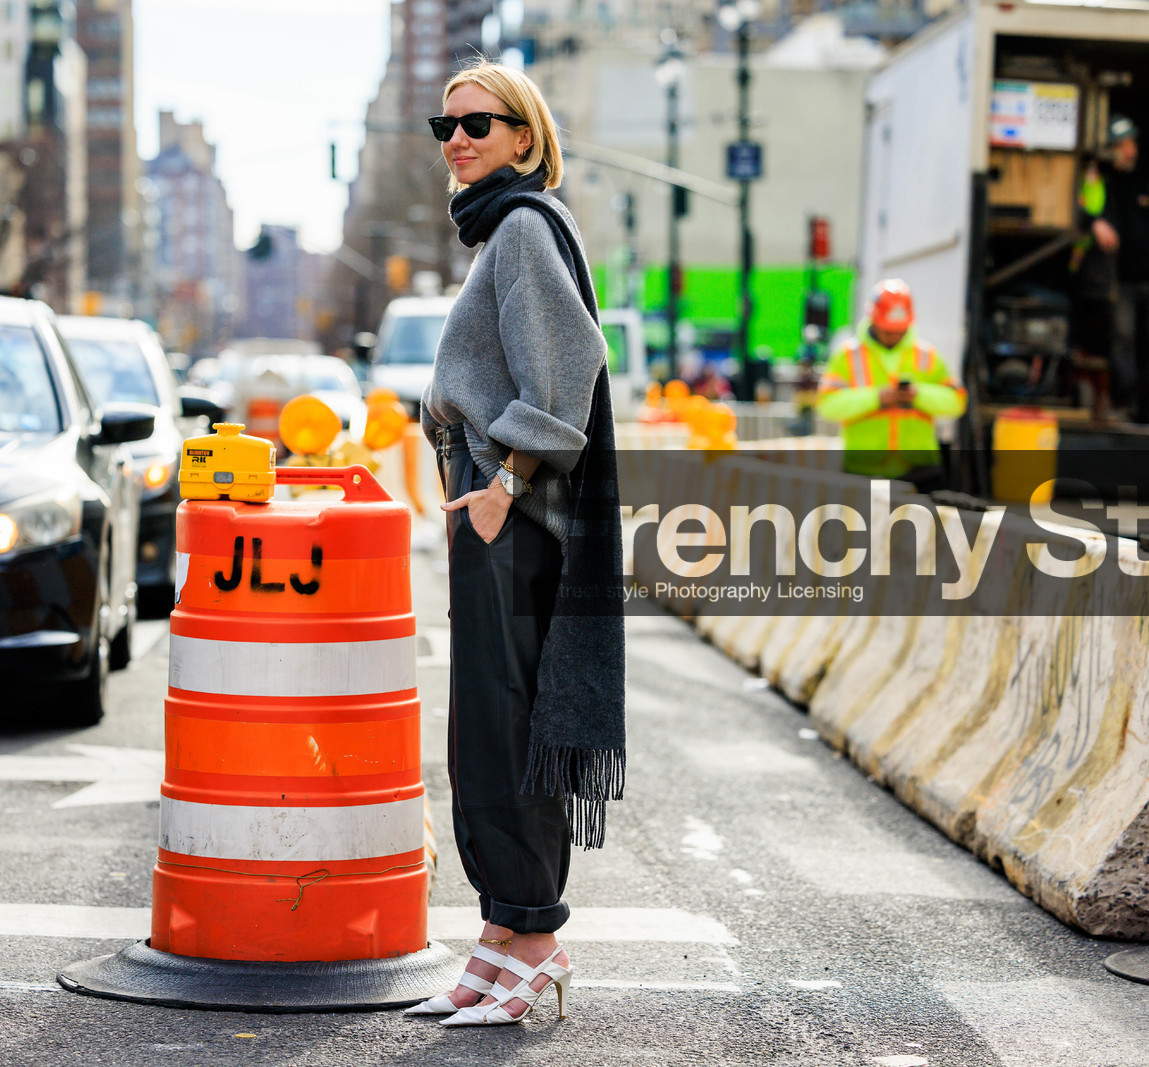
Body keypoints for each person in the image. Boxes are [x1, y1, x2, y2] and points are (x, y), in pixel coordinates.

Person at [412, 60, 625, 1028]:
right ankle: (500, 937)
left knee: (505, 726)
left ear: (526, 138)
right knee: (485, 726)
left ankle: (535, 940)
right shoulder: (502, 228)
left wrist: (503, 484)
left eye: (478, 124)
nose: (457, 140)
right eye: (445, 126)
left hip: (511, 510)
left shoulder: (526, 228)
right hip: (493, 503)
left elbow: (570, 367)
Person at [817, 279, 966, 490]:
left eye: (900, 330)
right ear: (873, 320)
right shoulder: (847, 356)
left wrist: (917, 395)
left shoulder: (927, 355)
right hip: (863, 468)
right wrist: (877, 398)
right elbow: (827, 405)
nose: (894, 335)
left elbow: (957, 401)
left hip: (921, 469)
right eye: (888, 330)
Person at [1076, 116, 1149, 424]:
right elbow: (1081, 211)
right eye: (1121, 145)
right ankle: (1126, 403)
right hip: (1120, 279)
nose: (1128, 151)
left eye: (1130, 144)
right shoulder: (1100, 181)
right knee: (1122, 342)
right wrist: (1095, 223)